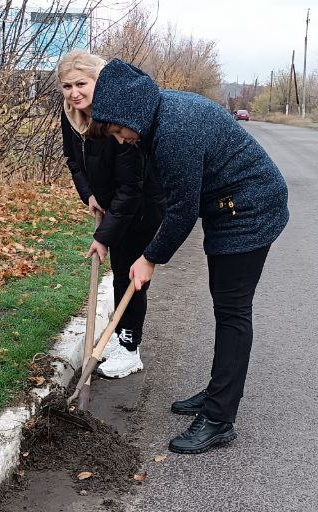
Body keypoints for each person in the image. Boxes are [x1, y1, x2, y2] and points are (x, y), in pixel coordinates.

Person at [90, 59, 289, 455]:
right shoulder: (158, 116)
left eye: (118, 129)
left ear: (132, 112)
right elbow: (168, 197)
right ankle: (218, 394)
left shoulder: (176, 128)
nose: (119, 139)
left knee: (232, 311)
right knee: (224, 308)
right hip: (226, 206)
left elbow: (182, 210)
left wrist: (149, 258)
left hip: (250, 210)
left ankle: (219, 418)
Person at [57, 50, 163, 379]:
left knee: (129, 274)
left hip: (141, 205)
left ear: (97, 81)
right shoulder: (70, 114)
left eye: (81, 84)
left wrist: (102, 237)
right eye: (66, 86)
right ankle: (121, 339)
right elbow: (73, 160)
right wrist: (88, 194)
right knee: (119, 273)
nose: (74, 92)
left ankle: (129, 347)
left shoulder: (116, 115)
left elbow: (131, 187)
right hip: (110, 202)